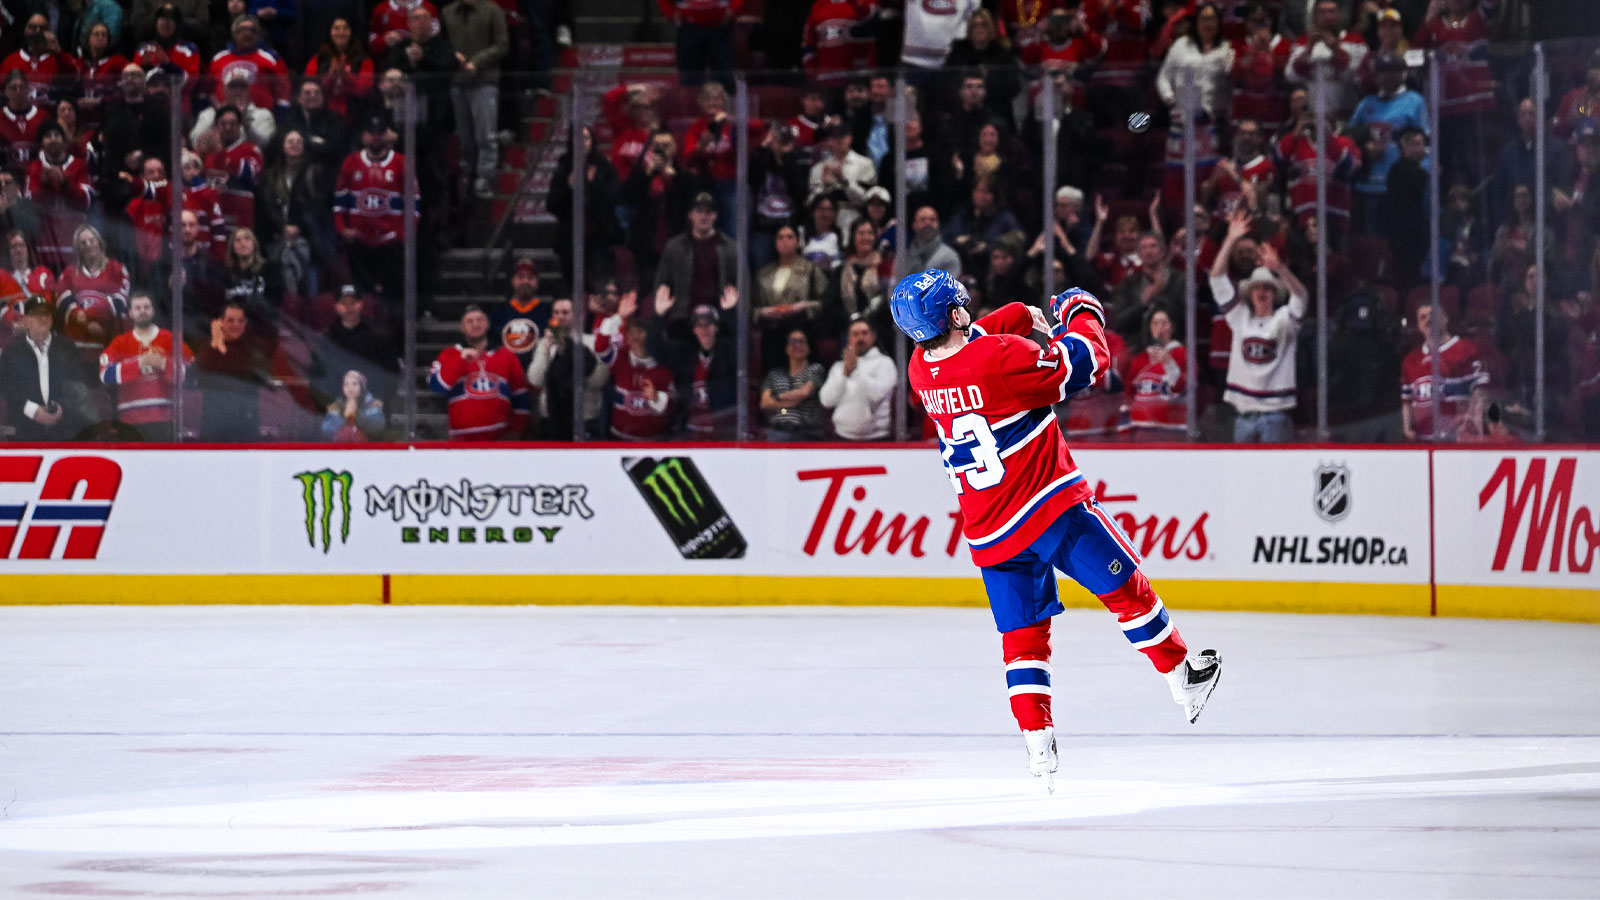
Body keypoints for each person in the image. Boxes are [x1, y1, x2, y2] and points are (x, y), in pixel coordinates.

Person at [891, 268, 1221, 791]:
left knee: (1022, 639)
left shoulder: (920, 369)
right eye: (960, 304)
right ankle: (1184, 678)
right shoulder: (1001, 360)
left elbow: (979, 341)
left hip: (989, 531)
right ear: (954, 314)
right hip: (1048, 508)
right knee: (1125, 588)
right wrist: (1081, 313)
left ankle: (1039, 752)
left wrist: (1022, 315)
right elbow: (1087, 362)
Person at [1209, 210, 1309, 442]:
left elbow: (1302, 298)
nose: (1261, 292)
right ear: (1249, 293)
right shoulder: (1240, 317)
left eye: (1267, 288)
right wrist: (1230, 240)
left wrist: (1281, 269)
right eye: (1257, 288)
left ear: (1274, 293)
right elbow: (1216, 279)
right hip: (1242, 416)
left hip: (1275, 415)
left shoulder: (1284, 319)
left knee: (1276, 478)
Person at [97, 290, 194, 441]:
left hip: (164, 419)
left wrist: (163, 363)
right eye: (138, 308)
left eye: (146, 307)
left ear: (153, 310)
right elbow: (105, 375)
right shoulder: (120, 343)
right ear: (130, 313)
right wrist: (138, 364)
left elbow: (192, 375)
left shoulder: (169, 339)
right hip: (130, 421)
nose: (142, 311)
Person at [334, 116, 409, 307]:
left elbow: (413, 204)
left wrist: (404, 233)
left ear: (387, 135)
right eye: (371, 133)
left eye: (380, 133)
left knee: (394, 295)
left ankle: (395, 332)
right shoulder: (351, 162)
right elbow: (340, 201)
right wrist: (342, 228)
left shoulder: (402, 163)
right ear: (363, 136)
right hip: (360, 240)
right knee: (363, 296)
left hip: (390, 241)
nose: (375, 137)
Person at [428, 304, 530, 440]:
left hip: (500, 442)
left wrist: (517, 431)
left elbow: (521, 397)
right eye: (469, 321)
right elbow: (437, 388)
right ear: (462, 327)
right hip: (461, 442)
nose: (475, 324)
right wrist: (460, 360)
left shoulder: (506, 355)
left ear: (487, 324)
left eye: (480, 320)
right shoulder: (449, 354)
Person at [442, 0, 509, 199]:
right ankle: (465, 172)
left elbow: (502, 45)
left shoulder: (492, 10)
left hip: (484, 81)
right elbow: (442, 44)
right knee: (463, 134)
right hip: (457, 81)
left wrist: (477, 62)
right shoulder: (447, 12)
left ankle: (485, 177)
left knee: (485, 134)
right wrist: (453, 56)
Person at [652, 192, 737, 338]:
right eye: (699, 211)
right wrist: (663, 296)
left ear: (715, 215)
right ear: (690, 215)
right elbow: (661, 282)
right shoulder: (674, 246)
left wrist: (733, 309)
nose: (703, 216)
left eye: (708, 212)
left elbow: (741, 284)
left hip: (719, 321)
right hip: (682, 320)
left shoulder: (731, 248)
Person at [1401, 302, 1488, 442]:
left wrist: (1471, 426)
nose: (1429, 320)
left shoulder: (1468, 349)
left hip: (1458, 440)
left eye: (1433, 314)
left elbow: (1480, 392)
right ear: (1418, 326)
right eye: (1423, 317)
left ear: (1445, 318)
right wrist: (1407, 429)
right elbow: (1407, 400)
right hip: (1424, 441)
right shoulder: (1411, 359)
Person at [527, 295, 609, 440]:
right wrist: (546, 348)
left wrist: (571, 351)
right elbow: (535, 380)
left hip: (584, 419)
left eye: (565, 312)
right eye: (556, 312)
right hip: (551, 419)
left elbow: (599, 381)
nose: (560, 316)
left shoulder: (591, 342)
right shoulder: (544, 343)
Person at [666, 289, 741, 439]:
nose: (704, 329)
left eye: (708, 324)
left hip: (723, 433)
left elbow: (742, 346)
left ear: (716, 327)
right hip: (692, 433)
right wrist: (658, 316)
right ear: (693, 330)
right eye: (699, 325)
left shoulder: (727, 355)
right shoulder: (686, 356)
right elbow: (657, 350)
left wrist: (730, 313)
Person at [755, 224, 829, 370]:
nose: (784, 241)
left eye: (790, 237)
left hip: (801, 331)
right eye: (780, 237)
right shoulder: (763, 274)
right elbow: (753, 307)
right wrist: (763, 312)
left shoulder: (811, 270)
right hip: (772, 335)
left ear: (797, 242)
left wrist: (803, 307)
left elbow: (826, 302)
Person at [56, 224, 130, 365]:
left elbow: (118, 304)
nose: (88, 245)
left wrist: (87, 316)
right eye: (83, 243)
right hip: (77, 349)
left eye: (92, 240)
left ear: (99, 242)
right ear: (78, 249)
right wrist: (85, 322)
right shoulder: (69, 273)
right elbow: (63, 304)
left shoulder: (117, 269)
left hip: (109, 345)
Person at [819, 315, 895, 442]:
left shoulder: (885, 363)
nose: (860, 338)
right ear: (849, 338)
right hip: (841, 437)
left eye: (864, 333)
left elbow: (877, 395)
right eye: (855, 334)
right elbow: (826, 401)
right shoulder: (839, 367)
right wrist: (845, 375)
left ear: (873, 336)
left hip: (877, 439)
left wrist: (856, 371)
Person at [1122, 307, 1187, 439]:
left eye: (1164, 323)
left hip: (1170, 433)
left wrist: (1168, 362)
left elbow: (1182, 386)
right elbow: (1128, 396)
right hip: (1140, 431)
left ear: (1173, 327)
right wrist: (1124, 434)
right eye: (1155, 323)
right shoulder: (1140, 359)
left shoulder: (1181, 355)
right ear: (1150, 328)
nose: (1160, 328)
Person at [210, 14, 291, 113]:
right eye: (243, 30)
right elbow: (208, 86)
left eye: (253, 30)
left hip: (259, 115)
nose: (248, 34)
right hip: (223, 115)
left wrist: (282, 111)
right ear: (234, 33)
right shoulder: (219, 58)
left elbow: (283, 87)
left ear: (258, 35)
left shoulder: (271, 57)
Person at [657, 0, 740, 91]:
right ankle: (690, 104)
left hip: (720, 28)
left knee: (724, 77)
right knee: (689, 79)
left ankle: (725, 104)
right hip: (689, 29)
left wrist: (732, 9)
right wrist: (670, 13)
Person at [760, 327, 825, 441]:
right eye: (793, 342)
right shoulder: (774, 374)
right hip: (778, 431)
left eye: (802, 341)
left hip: (808, 432)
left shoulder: (815, 369)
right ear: (786, 348)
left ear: (809, 348)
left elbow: (804, 392)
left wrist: (777, 398)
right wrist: (789, 403)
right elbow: (765, 403)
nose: (797, 345)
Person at [305, 17, 374, 119]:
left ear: (351, 32)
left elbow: (364, 90)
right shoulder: (317, 60)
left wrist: (346, 75)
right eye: (336, 28)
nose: (341, 32)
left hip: (357, 114)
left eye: (345, 28)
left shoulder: (364, 60)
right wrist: (331, 75)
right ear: (329, 32)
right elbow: (309, 88)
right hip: (323, 115)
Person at [488, 257, 550, 369]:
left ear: (537, 282)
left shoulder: (548, 311)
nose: (525, 281)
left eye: (530, 277)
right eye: (521, 277)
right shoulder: (498, 311)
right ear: (512, 281)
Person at [0, 71, 47, 174]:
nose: (18, 91)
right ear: (6, 91)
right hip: (7, 175)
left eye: (22, 87)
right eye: (13, 87)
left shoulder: (43, 116)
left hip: (38, 173)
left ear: (28, 89)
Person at [322, 369, 387, 441]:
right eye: (346, 384)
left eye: (354, 384)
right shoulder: (336, 406)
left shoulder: (372, 404)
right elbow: (326, 430)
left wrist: (356, 415)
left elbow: (378, 429)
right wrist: (345, 416)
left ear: (362, 387)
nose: (350, 388)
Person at [903, 205, 962, 279]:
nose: (928, 223)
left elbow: (949, 288)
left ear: (938, 224)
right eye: (923, 219)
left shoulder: (949, 257)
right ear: (914, 225)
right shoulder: (903, 257)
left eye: (932, 219)